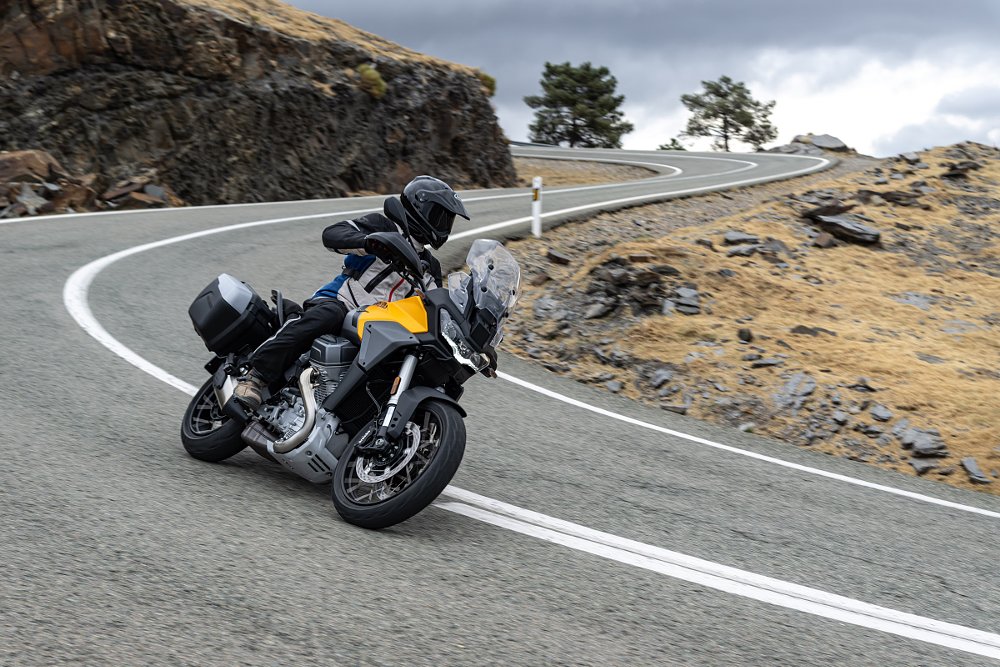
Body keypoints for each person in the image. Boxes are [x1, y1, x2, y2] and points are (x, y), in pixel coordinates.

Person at [233, 175, 470, 411]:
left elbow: (436, 307)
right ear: (420, 208)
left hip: (383, 327)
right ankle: (255, 376)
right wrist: (369, 242)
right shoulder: (383, 227)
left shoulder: (430, 266)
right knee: (328, 315)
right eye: (440, 216)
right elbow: (333, 234)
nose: (444, 226)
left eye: (447, 220)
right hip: (343, 302)